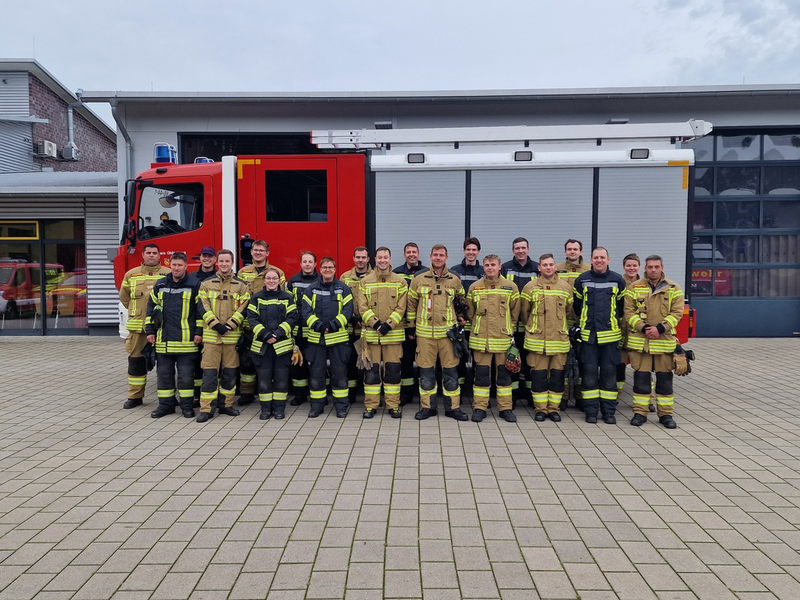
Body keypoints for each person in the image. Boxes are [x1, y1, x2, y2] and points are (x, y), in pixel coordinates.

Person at [407, 244, 468, 421]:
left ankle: (453, 408)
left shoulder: (454, 280)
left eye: (441, 255)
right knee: (426, 373)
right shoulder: (419, 278)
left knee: (451, 373)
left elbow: (461, 301)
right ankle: (428, 408)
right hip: (425, 335)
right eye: (435, 255)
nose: (438, 258)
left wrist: (462, 316)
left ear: (446, 258)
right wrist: (411, 326)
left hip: (448, 335)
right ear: (430, 256)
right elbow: (411, 304)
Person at [624, 255, 684, 429]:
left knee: (664, 381)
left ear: (662, 267)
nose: (653, 270)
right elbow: (628, 312)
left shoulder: (674, 288)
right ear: (645, 268)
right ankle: (639, 413)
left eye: (656, 267)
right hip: (640, 343)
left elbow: (677, 313)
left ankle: (666, 415)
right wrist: (643, 328)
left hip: (664, 342)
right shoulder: (634, 287)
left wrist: (660, 328)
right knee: (641, 380)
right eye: (650, 267)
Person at [145, 252, 203, 419]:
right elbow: (151, 308)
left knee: (186, 378)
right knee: (164, 377)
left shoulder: (194, 284)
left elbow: (200, 312)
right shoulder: (160, 284)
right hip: (164, 340)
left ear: (186, 266)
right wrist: (150, 331)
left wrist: (199, 332)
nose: (176, 268)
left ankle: (186, 406)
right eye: (174, 265)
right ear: (170, 265)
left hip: (187, 341)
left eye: (180, 265)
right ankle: (166, 405)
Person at [573, 247, 627, 424]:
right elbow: (578, 307)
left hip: (610, 338)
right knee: (588, 375)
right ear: (591, 260)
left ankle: (608, 412)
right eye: (596, 258)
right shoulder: (582, 280)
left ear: (608, 260)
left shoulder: (618, 280)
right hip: (589, 337)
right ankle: (590, 411)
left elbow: (621, 308)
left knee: (609, 375)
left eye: (602, 257)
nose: (599, 260)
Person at [196, 249, 250, 423]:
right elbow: (202, 307)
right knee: (210, 375)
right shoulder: (206, 283)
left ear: (232, 263)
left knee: (229, 374)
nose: (224, 264)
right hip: (212, 337)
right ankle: (206, 409)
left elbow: (245, 307)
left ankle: (226, 405)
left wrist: (230, 325)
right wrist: (216, 325)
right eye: (222, 261)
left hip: (231, 338)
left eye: (228, 261)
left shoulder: (241, 285)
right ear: (217, 262)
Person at [465, 254, 519, 423]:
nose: (489, 268)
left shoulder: (511, 287)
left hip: (503, 341)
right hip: (482, 341)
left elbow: (515, 314)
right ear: (483, 267)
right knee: (481, 376)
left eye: (493, 265)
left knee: (504, 377)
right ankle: (480, 408)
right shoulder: (475, 287)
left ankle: (505, 409)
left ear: (499, 266)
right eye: (487, 265)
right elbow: (470, 312)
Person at [520, 254, 574, 422]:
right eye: (545, 265)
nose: (549, 267)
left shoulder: (565, 287)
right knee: (539, 376)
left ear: (555, 266)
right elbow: (524, 313)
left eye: (551, 264)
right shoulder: (530, 287)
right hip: (537, 341)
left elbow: (569, 311)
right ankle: (540, 409)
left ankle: (554, 409)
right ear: (539, 267)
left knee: (557, 376)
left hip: (559, 340)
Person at [301, 257, 354, 418]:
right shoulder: (311, 289)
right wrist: (318, 326)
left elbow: (348, 311)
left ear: (335, 269)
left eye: (330, 267)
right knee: (316, 374)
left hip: (338, 339)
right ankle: (317, 406)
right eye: (325, 267)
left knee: (339, 374)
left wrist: (332, 325)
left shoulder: (343, 289)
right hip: (317, 339)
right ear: (320, 269)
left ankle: (341, 406)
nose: (327, 270)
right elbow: (306, 311)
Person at [357, 247, 408, 418]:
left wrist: (389, 325)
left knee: (393, 372)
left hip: (393, 337)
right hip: (371, 337)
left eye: (386, 257)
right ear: (375, 259)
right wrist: (376, 323)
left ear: (390, 259)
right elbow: (361, 306)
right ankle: (371, 406)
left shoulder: (400, 281)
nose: (383, 260)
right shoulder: (365, 281)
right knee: (371, 374)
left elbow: (402, 307)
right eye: (380, 257)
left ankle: (393, 405)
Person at [120, 243, 170, 409]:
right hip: (138, 328)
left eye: (155, 253)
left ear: (159, 255)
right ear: (143, 255)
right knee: (136, 362)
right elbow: (125, 298)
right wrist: (137, 312)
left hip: (163, 327)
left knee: (165, 364)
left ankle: (168, 398)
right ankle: (135, 396)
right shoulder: (131, 275)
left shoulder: (168, 274)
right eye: (148, 253)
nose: (151, 256)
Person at [237, 240, 285, 405]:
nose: (258, 253)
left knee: (268, 362)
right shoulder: (243, 272)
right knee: (247, 362)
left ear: (267, 253)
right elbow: (239, 299)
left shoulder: (277, 272)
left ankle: (267, 391)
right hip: (249, 325)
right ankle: (246, 392)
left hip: (271, 326)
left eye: (261, 250)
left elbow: (283, 299)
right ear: (251, 252)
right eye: (255, 250)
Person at [248, 267, 300, 420]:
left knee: (281, 380)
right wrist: (265, 335)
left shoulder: (287, 297)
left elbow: (292, 318)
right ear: (264, 281)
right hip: (262, 347)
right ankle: (265, 409)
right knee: (263, 380)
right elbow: (252, 319)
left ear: (279, 281)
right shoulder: (256, 298)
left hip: (281, 347)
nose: (271, 281)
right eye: (268, 278)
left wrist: (277, 333)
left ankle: (279, 409)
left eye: (274, 278)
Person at [501, 237, 539, 406]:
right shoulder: (505, 268)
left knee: (530, 362)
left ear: (528, 249)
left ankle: (531, 397)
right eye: (517, 248)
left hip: (531, 325)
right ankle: (514, 397)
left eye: (523, 247)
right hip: (511, 324)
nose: (520, 251)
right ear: (513, 250)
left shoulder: (536, 268)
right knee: (513, 361)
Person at [556, 239, 590, 410]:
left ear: (581, 251)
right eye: (569, 249)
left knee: (582, 361)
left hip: (583, 322)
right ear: (565, 252)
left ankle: (579, 396)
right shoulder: (557, 269)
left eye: (575, 249)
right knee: (563, 361)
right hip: (561, 323)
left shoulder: (589, 270)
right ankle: (563, 396)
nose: (572, 252)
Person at [393, 242, 429, 405]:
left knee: (424, 361)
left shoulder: (427, 273)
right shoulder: (397, 273)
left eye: (414, 252)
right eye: (408, 252)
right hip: (402, 325)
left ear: (419, 254)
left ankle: (425, 394)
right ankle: (406, 395)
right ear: (404, 255)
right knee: (406, 361)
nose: (411, 254)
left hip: (422, 325)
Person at [449, 237, 484, 402]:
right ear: (464, 251)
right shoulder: (455, 271)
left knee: (479, 361)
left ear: (478, 252)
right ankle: (460, 393)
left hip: (479, 325)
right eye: (468, 249)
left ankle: (479, 395)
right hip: (460, 323)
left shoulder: (484, 272)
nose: (471, 253)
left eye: (474, 250)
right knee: (460, 359)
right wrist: (458, 316)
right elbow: (451, 298)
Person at [285, 252, 320, 406]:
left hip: (314, 330)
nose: (307, 264)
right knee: (298, 365)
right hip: (297, 331)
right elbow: (288, 303)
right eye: (304, 261)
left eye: (310, 261)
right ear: (300, 264)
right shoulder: (293, 281)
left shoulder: (321, 280)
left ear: (315, 264)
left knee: (316, 365)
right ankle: (300, 396)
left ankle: (317, 396)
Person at [340, 247, 372, 402]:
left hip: (370, 328)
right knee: (350, 362)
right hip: (351, 328)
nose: (360, 260)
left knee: (370, 363)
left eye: (363, 257)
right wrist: (352, 318)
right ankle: (351, 395)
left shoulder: (375, 276)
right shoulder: (345, 277)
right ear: (353, 258)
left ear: (368, 259)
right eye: (358, 257)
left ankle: (370, 395)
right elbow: (340, 303)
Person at [190, 245, 219, 403]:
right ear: (200, 258)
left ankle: (215, 394)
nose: (206, 259)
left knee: (213, 363)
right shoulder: (192, 278)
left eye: (210, 256)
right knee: (196, 363)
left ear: (215, 259)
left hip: (213, 328)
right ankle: (196, 395)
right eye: (204, 256)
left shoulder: (220, 277)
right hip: (195, 325)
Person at [617, 254, 641, 395]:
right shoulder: (618, 282)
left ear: (639, 267)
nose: (631, 268)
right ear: (624, 267)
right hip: (620, 332)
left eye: (634, 265)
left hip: (638, 333)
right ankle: (616, 396)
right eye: (628, 265)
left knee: (641, 368)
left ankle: (647, 398)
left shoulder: (645, 284)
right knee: (619, 367)